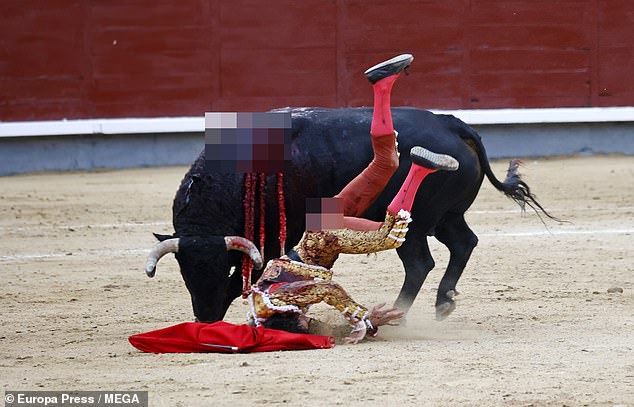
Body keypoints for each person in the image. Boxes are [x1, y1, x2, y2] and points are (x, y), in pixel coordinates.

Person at [247, 54, 459, 344]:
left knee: (391, 236)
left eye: (304, 320)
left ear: (291, 318)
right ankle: (382, 85)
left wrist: (359, 318)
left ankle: (420, 171)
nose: (308, 319)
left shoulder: (281, 303)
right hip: (318, 222)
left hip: (325, 237)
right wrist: (370, 323)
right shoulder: (263, 309)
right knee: (384, 163)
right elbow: (314, 316)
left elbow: (328, 291)